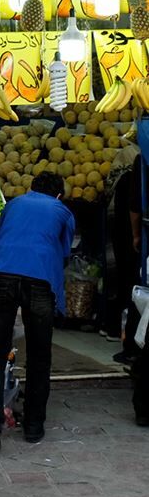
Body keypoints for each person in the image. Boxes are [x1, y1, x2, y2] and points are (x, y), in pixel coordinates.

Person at [0, 172, 75, 451]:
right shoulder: (62, 211)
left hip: (1, 275)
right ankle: (33, 427)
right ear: (58, 195)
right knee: (39, 356)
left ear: (31, 189)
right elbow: (64, 252)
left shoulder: (14, 204)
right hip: (39, 281)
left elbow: (2, 236)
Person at [105, 155, 143, 364]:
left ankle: (133, 349)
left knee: (137, 289)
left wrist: (136, 235)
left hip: (140, 242)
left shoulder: (138, 165)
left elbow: (135, 205)